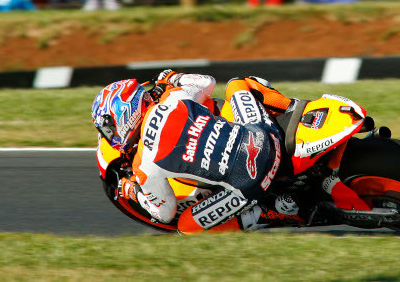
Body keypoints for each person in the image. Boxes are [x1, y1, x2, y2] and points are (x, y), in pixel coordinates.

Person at [91, 70, 370, 233]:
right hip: (265, 135)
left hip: (251, 182)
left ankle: (271, 214)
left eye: (110, 128)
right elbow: (207, 82)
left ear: (125, 117)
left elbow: (164, 214)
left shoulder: (143, 167)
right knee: (238, 83)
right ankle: (294, 111)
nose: (111, 135)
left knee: (186, 226)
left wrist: (133, 191)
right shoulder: (173, 98)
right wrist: (173, 78)